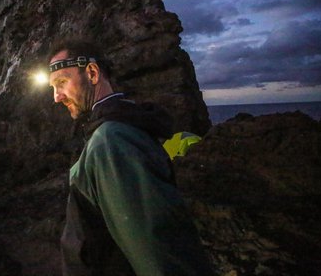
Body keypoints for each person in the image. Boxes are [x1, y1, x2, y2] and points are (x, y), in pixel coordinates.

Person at [48, 38, 214, 276]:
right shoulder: (118, 131)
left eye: (61, 82)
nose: (56, 96)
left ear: (92, 73)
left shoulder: (112, 140)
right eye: (53, 88)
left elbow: (155, 250)